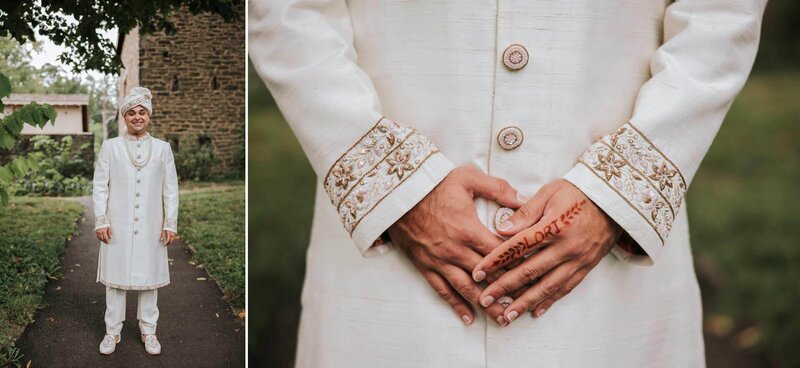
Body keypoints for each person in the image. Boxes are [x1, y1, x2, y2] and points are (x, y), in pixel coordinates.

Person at [250, 1, 766, 366]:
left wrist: (619, 193)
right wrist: (391, 186)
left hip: (609, 274)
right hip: (389, 264)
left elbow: (721, 12)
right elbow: (287, 11)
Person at [92, 87, 179, 355]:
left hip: (151, 226)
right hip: (116, 225)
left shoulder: (163, 149)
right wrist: (101, 220)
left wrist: (170, 223)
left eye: (142, 112)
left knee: (149, 281)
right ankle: (112, 331)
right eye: (132, 113)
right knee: (115, 282)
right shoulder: (111, 147)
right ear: (124, 117)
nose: (137, 117)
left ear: (149, 115)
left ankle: (149, 330)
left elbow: (170, 189)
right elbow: (100, 186)